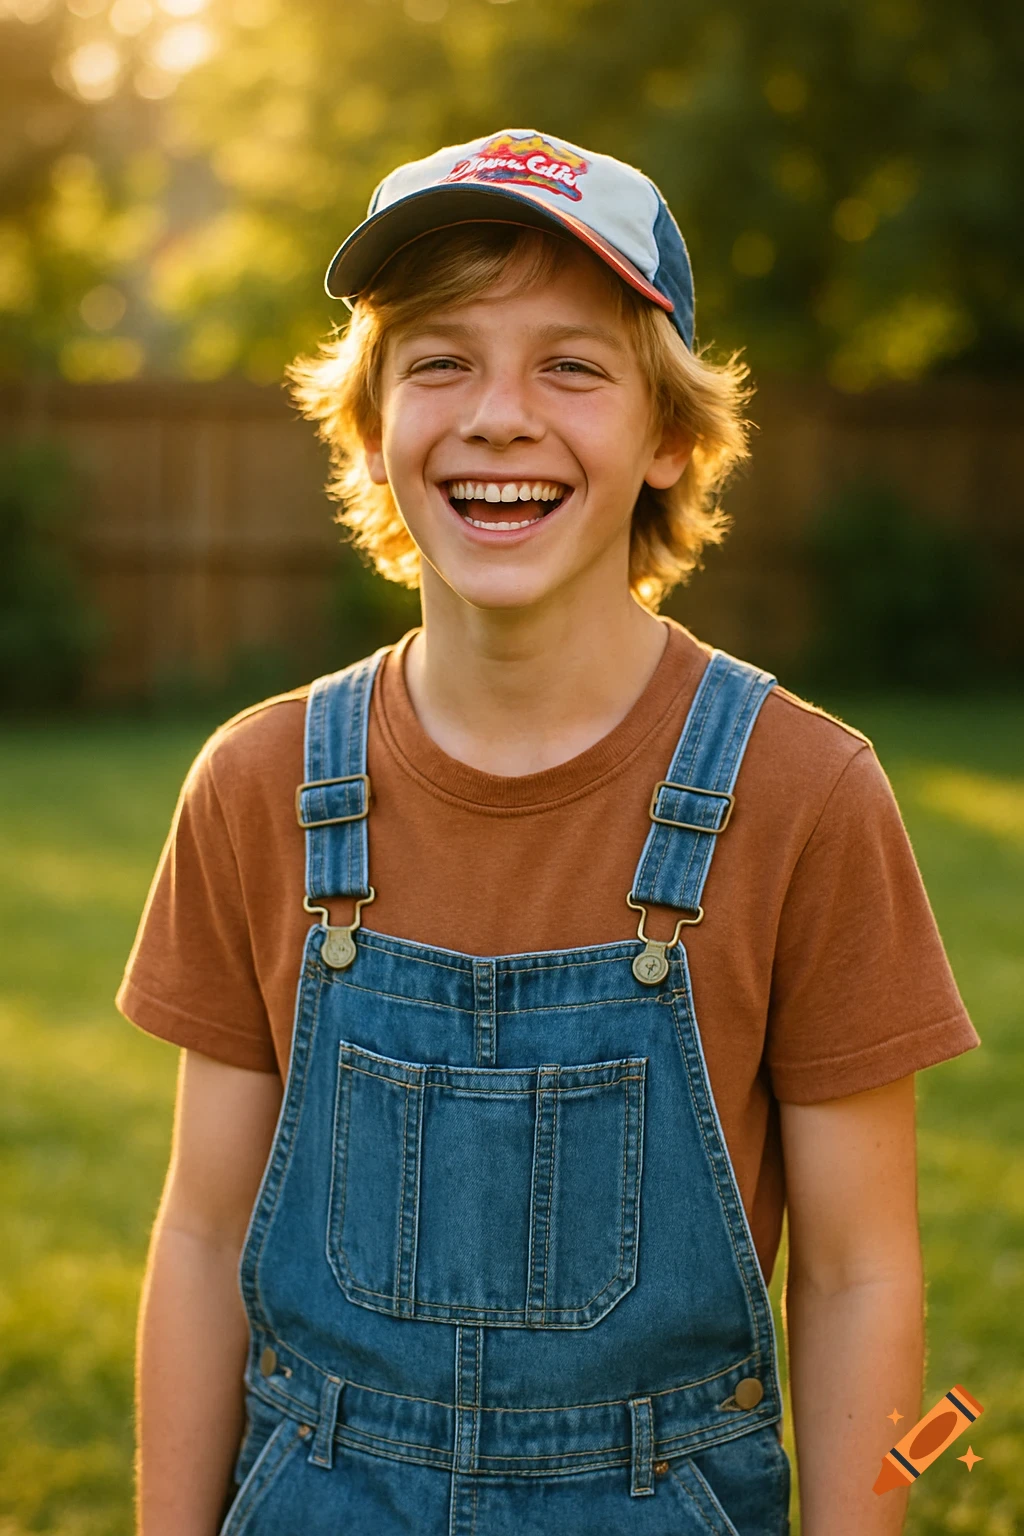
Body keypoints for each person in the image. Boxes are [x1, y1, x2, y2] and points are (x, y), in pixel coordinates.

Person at [118, 129, 980, 1536]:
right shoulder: (256, 785)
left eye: (570, 366)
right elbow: (206, 1235)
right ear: (371, 424)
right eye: (440, 359)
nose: (499, 415)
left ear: (670, 437)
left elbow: (859, 1274)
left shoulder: (809, 794)